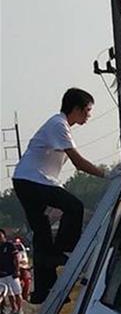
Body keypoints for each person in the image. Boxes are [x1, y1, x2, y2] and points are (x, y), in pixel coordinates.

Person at [12, 88, 106, 303]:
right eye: (88, 110)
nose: (89, 115)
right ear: (76, 109)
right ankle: (64, 247)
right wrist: (107, 175)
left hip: (28, 180)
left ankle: (44, 291)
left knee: (42, 237)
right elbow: (79, 163)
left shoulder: (60, 126)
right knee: (74, 206)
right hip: (32, 180)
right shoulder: (58, 125)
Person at [0, 229, 23, 314]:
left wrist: (17, 270)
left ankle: (20, 310)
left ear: (4, 236)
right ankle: (13, 309)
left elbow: (16, 258)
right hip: (2, 274)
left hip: (12, 273)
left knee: (17, 292)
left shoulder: (9, 245)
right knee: (9, 294)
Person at [14, 237, 32, 302]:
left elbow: (25, 260)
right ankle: (18, 297)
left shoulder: (23, 250)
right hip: (15, 268)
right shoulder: (12, 251)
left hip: (24, 268)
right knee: (17, 283)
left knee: (27, 280)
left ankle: (25, 296)